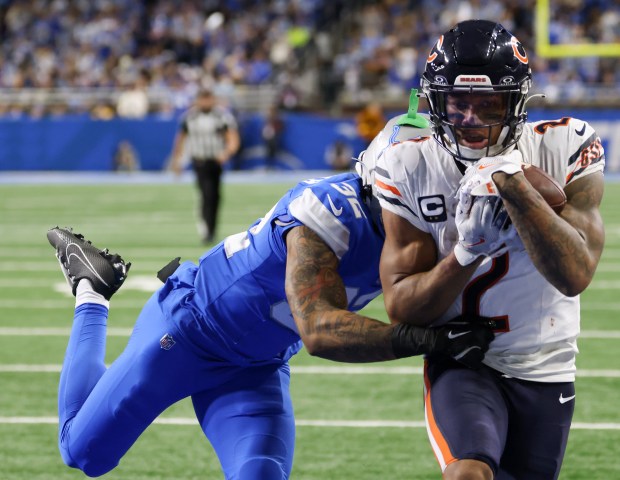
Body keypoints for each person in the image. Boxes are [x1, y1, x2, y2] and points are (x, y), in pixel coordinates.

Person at [46, 165, 495, 479]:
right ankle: (93, 290)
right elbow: (320, 330)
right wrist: (430, 341)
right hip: (189, 331)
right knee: (84, 453)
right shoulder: (326, 216)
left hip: (258, 361)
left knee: (259, 472)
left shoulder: (421, 230)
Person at [370, 20, 605, 480]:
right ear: (436, 102)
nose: (472, 120)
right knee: (468, 473)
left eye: (489, 103)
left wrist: (511, 181)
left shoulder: (564, 144)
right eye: (458, 103)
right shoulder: (408, 163)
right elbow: (402, 307)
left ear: (516, 103)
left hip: (546, 358)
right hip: (462, 358)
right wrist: (465, 253)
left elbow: (575, 273)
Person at [170, 88, 241, 243]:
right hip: (199, 161)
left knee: (215, 196)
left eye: (208, 98)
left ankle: (211, 229)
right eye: (203, 98)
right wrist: (177, 160)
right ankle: (206, 228)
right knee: (206, 193)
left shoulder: (222, 116)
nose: (205, 102)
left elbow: (232, 137)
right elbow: (180, 139)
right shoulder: (190, 117)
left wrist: (227, 153)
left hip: (215, 161)